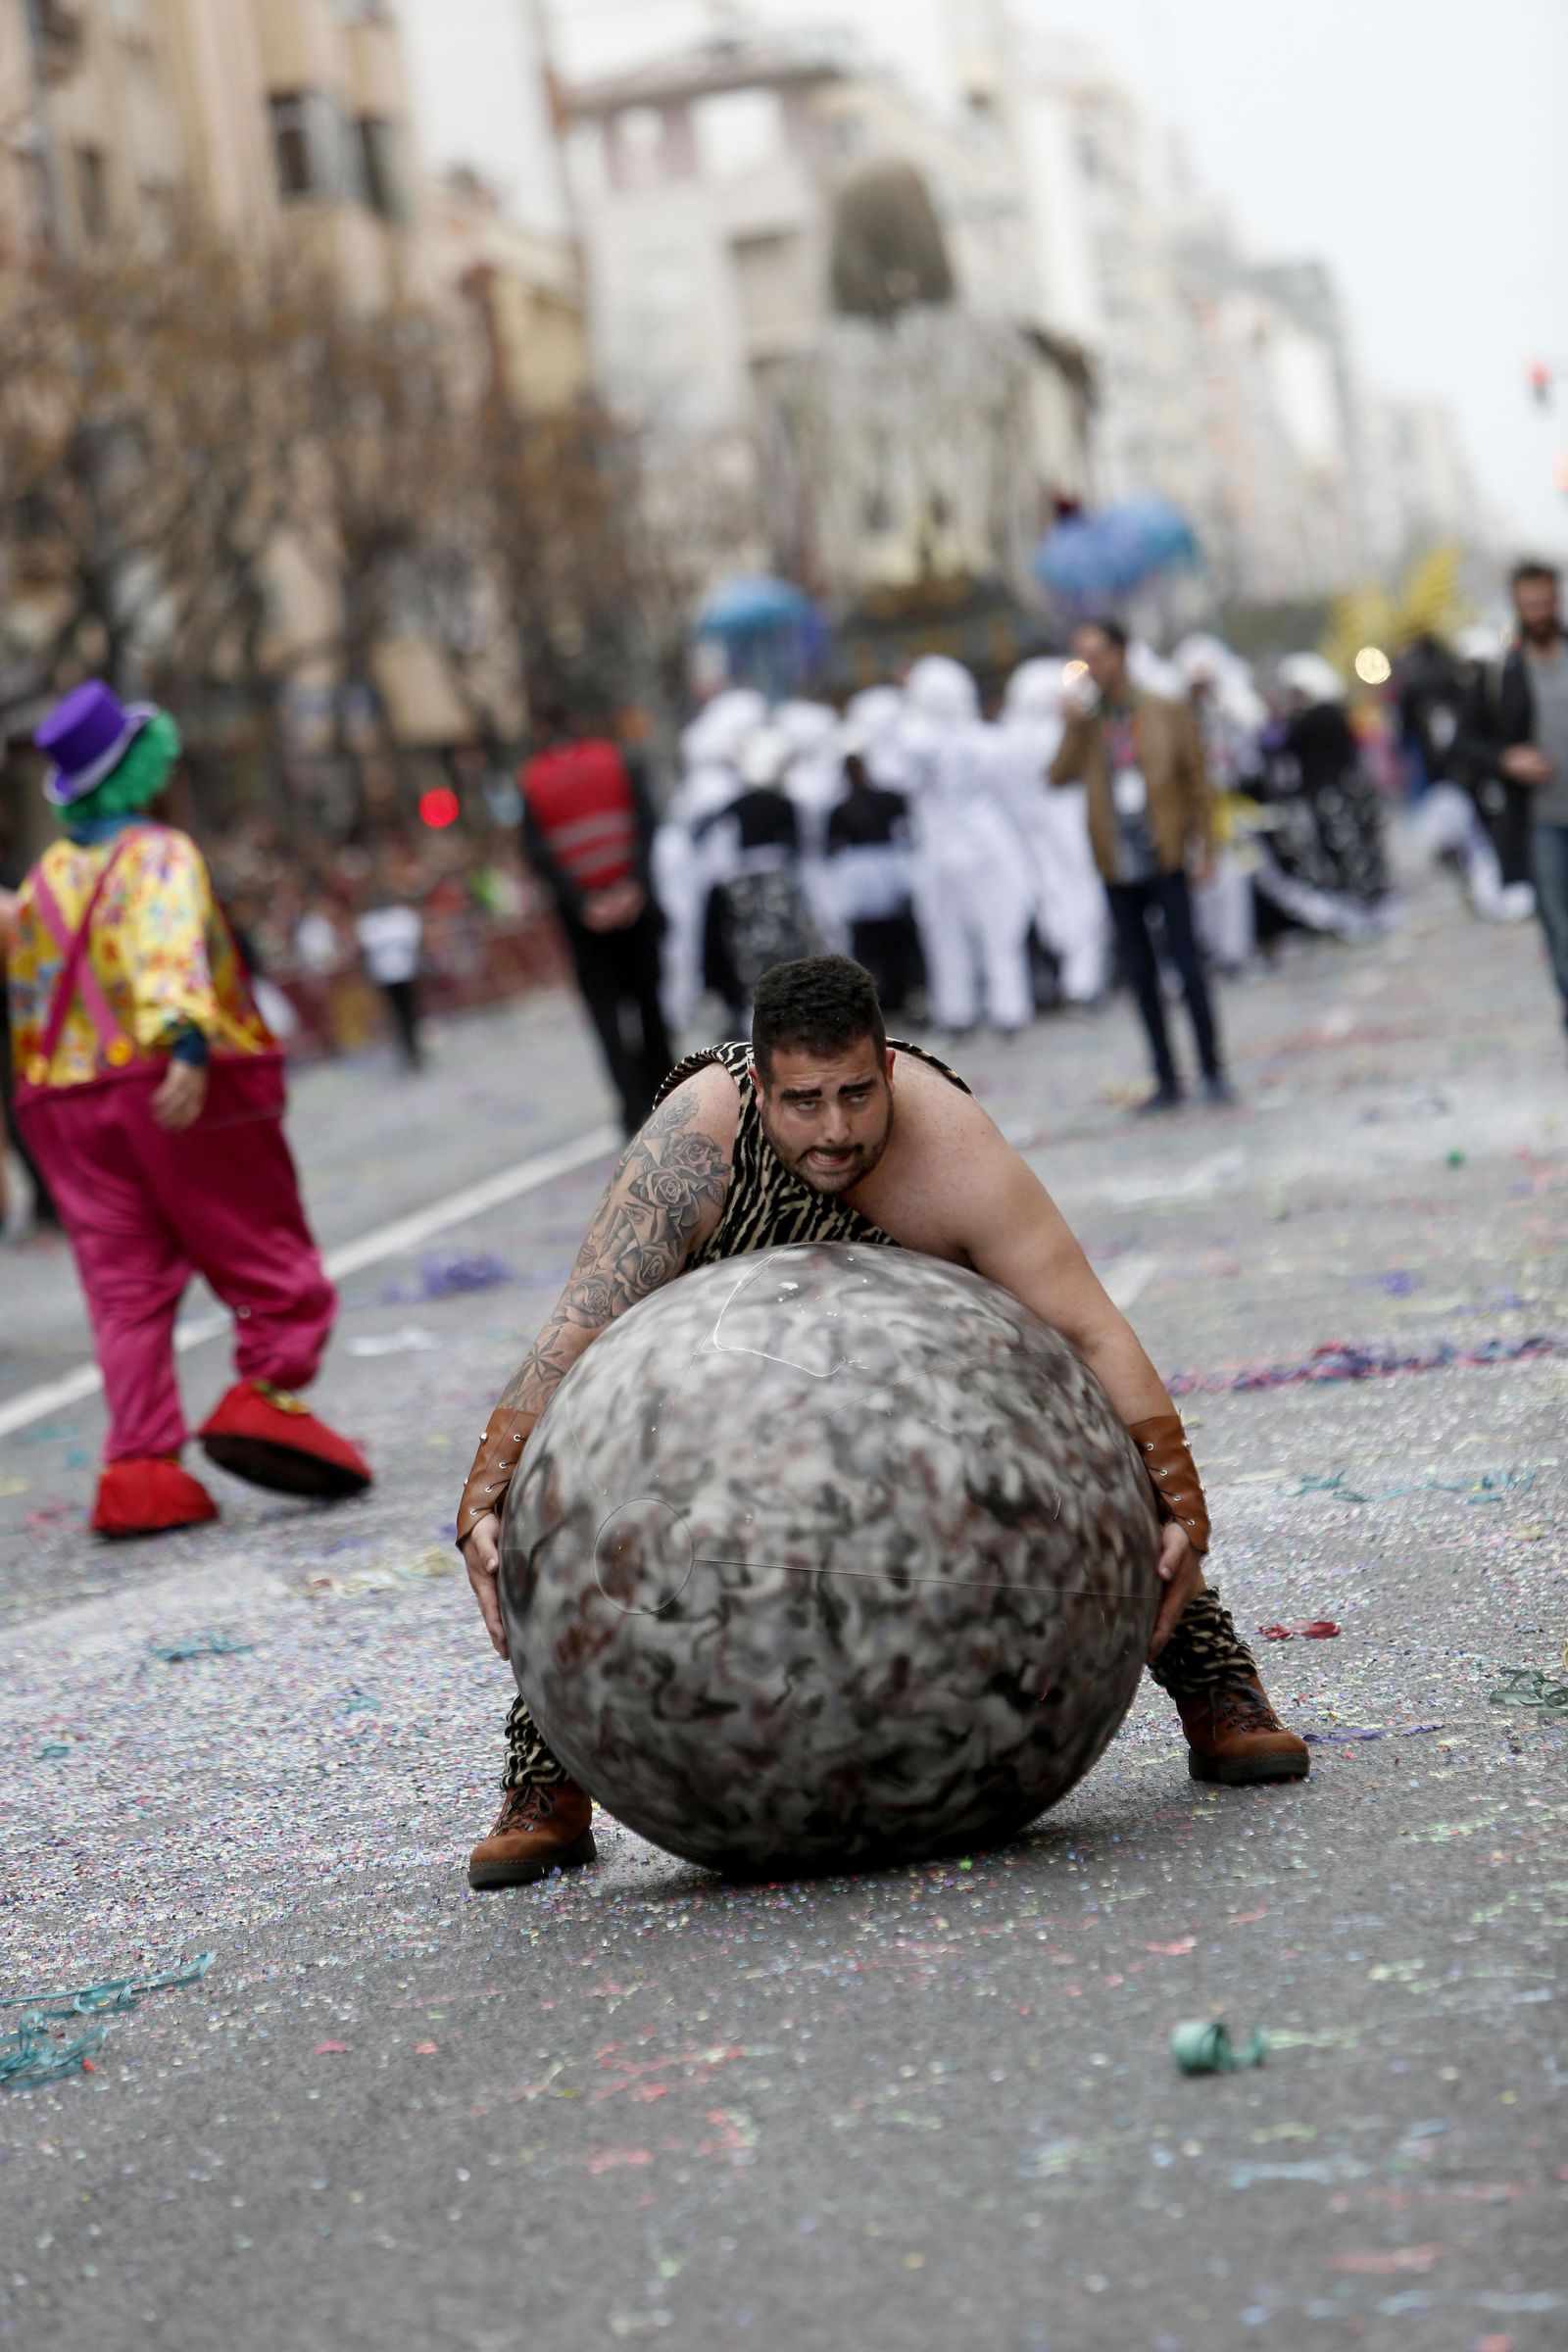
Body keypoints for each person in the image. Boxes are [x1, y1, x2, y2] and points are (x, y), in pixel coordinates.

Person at [456, 955, 1307, 1888]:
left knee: (1061, 1424)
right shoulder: (695, 1139)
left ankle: (1214, 1678)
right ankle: (549, 1775)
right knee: (605, 1477)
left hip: (944, 1397)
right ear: (758, 1085)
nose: (835, 1131)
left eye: (858, 1095)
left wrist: (1185, 1506)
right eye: (805, 1102)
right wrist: (483, 1502)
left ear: (889, 1068)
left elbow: (1084, 1327)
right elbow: (576, 1330)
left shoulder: (950, 1145)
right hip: (718, 1394)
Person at [5, 681, 371, 1537]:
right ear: (138, 767)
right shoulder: (159, 853)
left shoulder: (47, 875)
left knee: (122, 1287)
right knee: (261, 1249)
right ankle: (264, 1392)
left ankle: (140, 1470)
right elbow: (166, 946)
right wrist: (187, 1042)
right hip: (171, 1088)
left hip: (60, 1102)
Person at [1051, 618, 1231, 1110]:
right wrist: (1070, 724)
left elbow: (1198, 783)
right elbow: (1057, 776)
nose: (1093, 667)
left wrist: (1205, 850)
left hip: (1166, 855)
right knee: (1141, 975)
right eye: (1083, 657)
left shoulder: (1164, 709)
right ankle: (1167, 1078)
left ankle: (1213, 1069)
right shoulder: (1088, 724)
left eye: (1099, 654)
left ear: (1122, 653)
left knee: (1189, 968)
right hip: (1118, 865)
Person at [518, 701, 674, 1138]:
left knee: (607, 1021)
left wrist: (583, 903)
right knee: (650, 1007)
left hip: (584, 921)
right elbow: (646, 823)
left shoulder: (533, 780)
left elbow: (538, 854)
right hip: (634, 907)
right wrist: (634, 887)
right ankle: (666, 1095)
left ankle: (631, 1110)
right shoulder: (616, 759)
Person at [1458, 562, 1568, 1040]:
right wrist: (1508, 758)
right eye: (1529, 605)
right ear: (1517, 605)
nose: (1539, 612)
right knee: (1560, 931)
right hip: (1541, 821)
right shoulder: (1502, 670)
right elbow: (1464, 743)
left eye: (1546, 601)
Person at [900, 656, 1034, 1038]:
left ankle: (959, 1008)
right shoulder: (989, 741)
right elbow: (1013, 797)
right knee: (999, 929)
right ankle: (1008, 1007)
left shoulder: (915, 745)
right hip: (985, 842)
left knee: (947, 935)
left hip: (940, 848)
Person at [995, 658, 1108, 1006]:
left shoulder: (1007, 737)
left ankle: (1077, 979)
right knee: (1079, 900)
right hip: (1062, 829)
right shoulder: (1054, 732)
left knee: (1056, 902)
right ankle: (1082, 981)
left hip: (1034, 833)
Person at [823, 745, 922, 1015]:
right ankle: (887, 996)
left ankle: (891, 996)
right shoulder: (879, 800)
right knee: (884, 940)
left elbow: (829, 849)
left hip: (870, 874)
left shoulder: (849, 806)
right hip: (876, 872)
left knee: (879, 941)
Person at [354, 880, 424, 1072]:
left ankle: (415, 1050)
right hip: (385, 976)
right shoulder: (369, 922)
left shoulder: (402, 916)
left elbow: (414, 944)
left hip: (405, 972)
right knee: (395, 1015)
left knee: (409, 1013)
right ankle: (406, 1051)